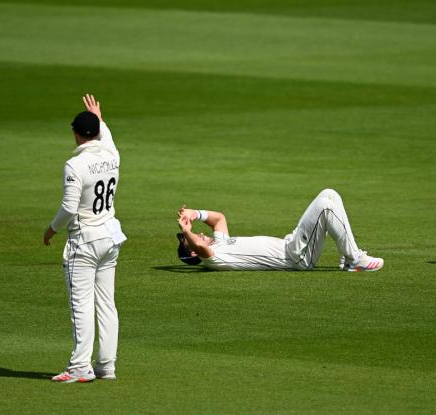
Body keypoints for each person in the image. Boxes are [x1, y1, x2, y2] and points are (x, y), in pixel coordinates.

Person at [44, 94, 127, 383]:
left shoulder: (75, 165)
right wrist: (100, 119)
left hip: (85, 241)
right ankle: (107, 365)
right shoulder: (111, 156)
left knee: (81, 305)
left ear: (77, 134)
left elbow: (69, 207)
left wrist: (52, 229)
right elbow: (108, 138)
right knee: (106, 303)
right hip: (110, 237)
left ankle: (80, 367)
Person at [176, 189, 384, 272]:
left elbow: (219, 218)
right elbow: (201, 246)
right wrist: (187, 232)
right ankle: (356, 259)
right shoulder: (214, 259)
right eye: (193, 238)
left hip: (290, 244)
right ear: (194, 251)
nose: (199, 234)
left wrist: (196, 213)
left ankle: (349, 259)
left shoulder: (221, 243)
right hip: (296, 257)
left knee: (329, 194)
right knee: (325, 206)